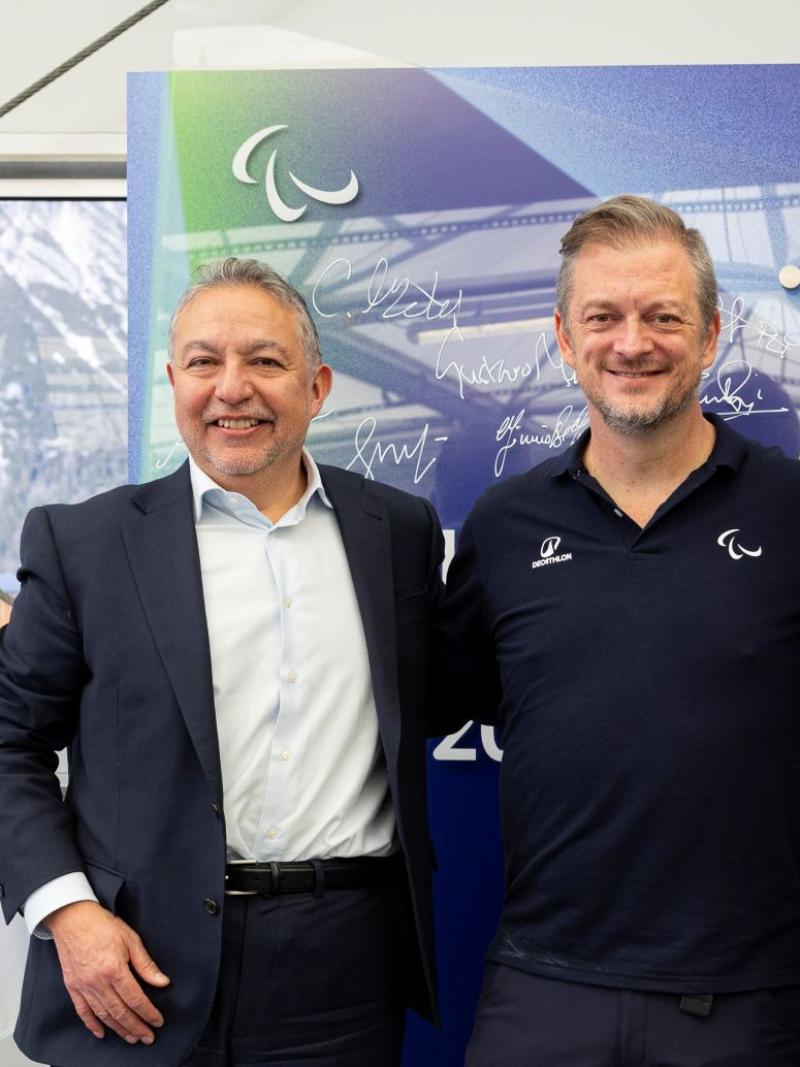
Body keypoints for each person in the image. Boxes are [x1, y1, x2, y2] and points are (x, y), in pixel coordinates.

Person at [0, 257, 444, 1067]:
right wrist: (66, 911)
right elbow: (9, 742)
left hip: (344, 971)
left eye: (265, 360)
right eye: (204, 361)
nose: (231, 388)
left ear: (317, 386)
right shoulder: (84, 543)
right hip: (133, 968)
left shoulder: (397, 530)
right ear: (174, 383)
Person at [441, 196, 800, 1064]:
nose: (631, 342)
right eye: (602, 316)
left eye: (663, 316)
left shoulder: (791, 510)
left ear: (709, 336)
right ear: (565, 338)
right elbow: (454, 698)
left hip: (749, 998)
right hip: (542, 990)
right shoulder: (504, 524)